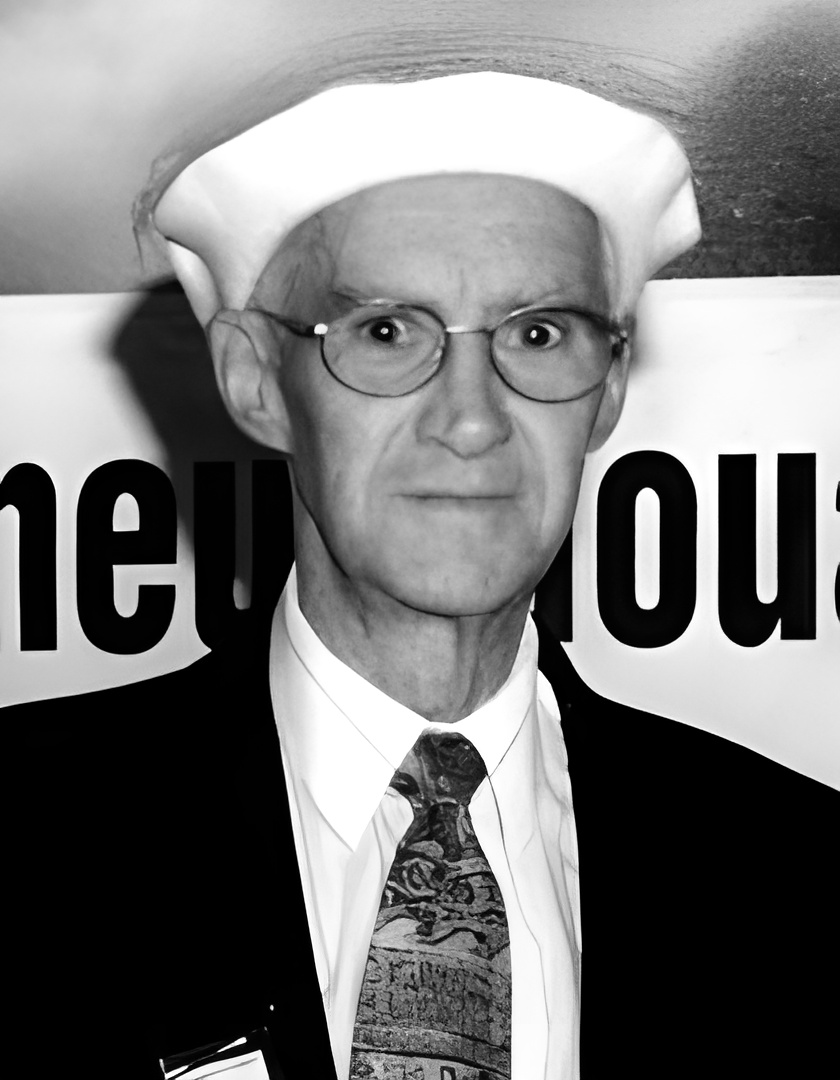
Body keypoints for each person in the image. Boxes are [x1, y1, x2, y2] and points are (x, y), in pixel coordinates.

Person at [8, 73, 837, 1080]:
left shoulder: (800, 874)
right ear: (257, 380)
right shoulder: (33, 839)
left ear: (610, 385)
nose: (473, 419)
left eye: (538, 333)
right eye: (388, 332)